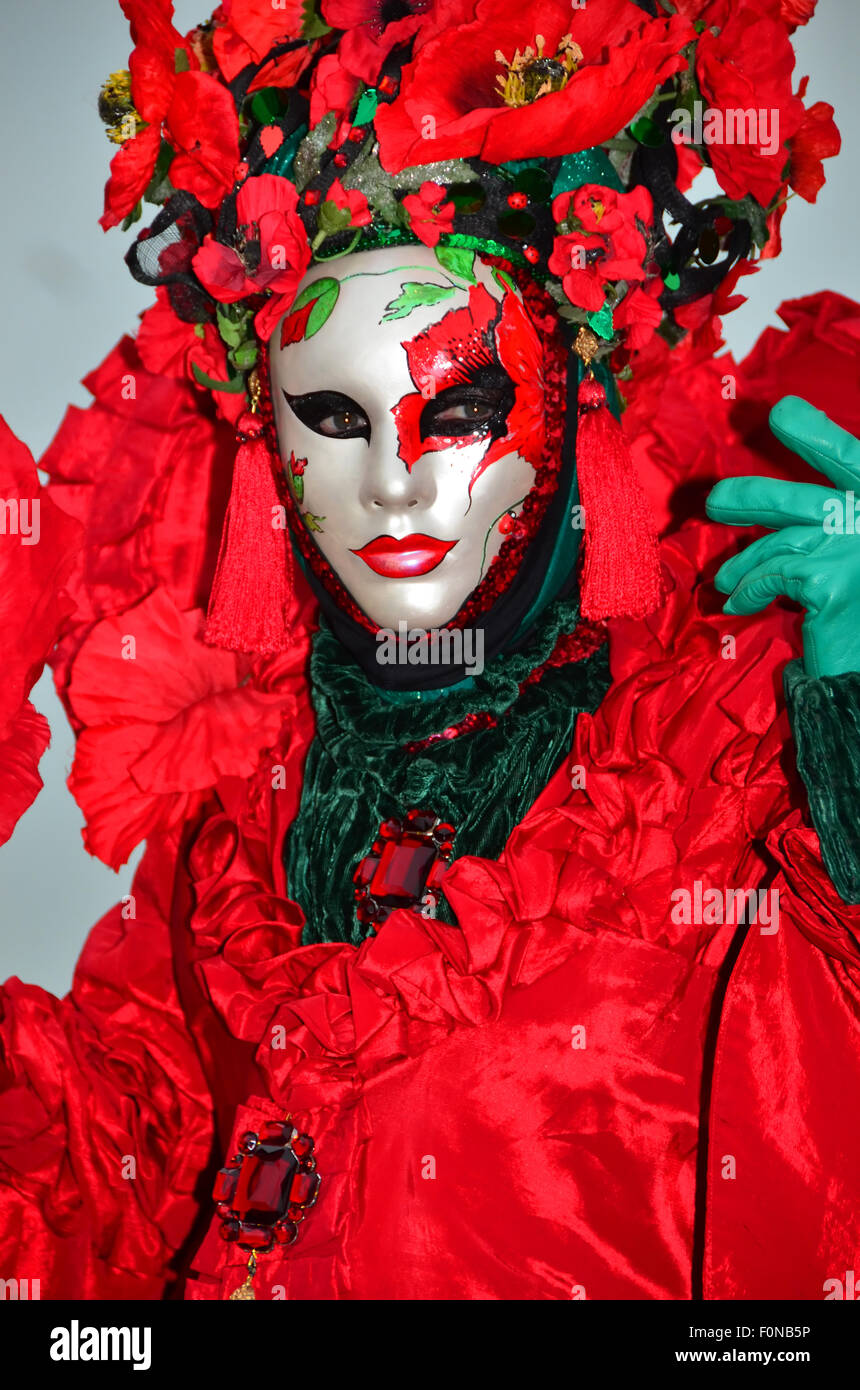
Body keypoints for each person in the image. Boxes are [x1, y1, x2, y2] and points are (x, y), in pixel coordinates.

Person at [0, 0, 858, 1301]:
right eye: (333, 416)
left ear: (573, 402)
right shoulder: (248, 806)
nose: (395, 484)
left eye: (457, 406)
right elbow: (120, 1166)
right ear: (265, 444)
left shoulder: (730, 767)